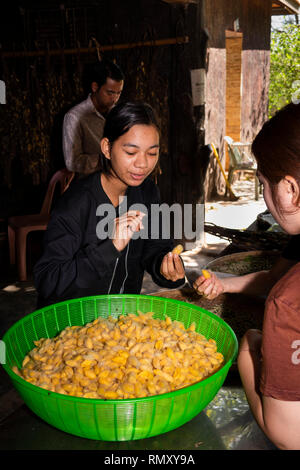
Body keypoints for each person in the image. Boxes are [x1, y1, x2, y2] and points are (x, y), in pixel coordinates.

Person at [196, 103, 300, 450]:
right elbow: (274, 277)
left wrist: (247, 350)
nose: (266, 200)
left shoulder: (288, 302)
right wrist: (223, 283)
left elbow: (289, 436)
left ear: (290, 189)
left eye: (263, 185)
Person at [34, 101, 185, 308]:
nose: (143, 164)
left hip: (120, 320)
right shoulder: (76, 203)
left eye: (152, 153)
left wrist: (166, 267)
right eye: (131, 152)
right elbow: (48, 280)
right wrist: (110, 247)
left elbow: (156, 248)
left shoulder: (147, 192)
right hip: (72, 325)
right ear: (107, 148)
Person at [63, 59, 124, 176]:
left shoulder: (119, 113)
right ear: (95, 87)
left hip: (119, 183)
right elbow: (72, 162)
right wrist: (107, 159)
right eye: (110, 93)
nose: (115, 99)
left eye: (119, 93)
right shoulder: (74, 117)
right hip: (91, 186)